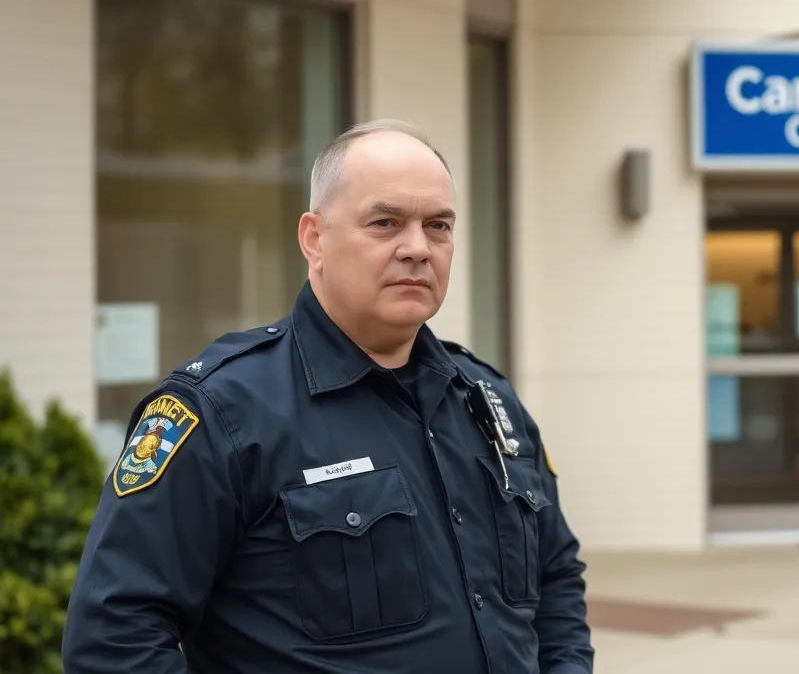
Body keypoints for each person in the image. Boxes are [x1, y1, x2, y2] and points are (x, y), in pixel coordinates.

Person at [62, 119, 594, 674]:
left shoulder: (487, 401)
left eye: (438, 225)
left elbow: (556, 579)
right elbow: (113, 639)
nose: (418, 248)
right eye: (385, 223)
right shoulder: (224, 411)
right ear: (314, 239)